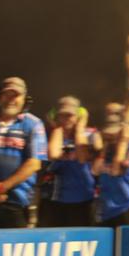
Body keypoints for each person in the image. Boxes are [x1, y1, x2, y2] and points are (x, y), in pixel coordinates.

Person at [0, 77, 47, 228]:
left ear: (25, 99)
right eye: (7, 94)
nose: (11, 100)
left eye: (16, 95)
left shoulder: (33, 124)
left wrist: (0, 188)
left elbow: (34, 164)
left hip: (17, 204)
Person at [38, 96, 101, 227]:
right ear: (56, 116)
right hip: (54, 199)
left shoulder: (91, 134)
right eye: (62, 115)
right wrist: (57, 129)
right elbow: (53, 154)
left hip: (83, 199)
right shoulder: (50, 134)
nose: (66, 119)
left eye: (70, 115)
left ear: (79, 116)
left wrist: (79, 129)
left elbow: (83, 157)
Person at [92, 123, 129, 227]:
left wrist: (123, 141)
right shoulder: (106, 150)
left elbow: (116, 171)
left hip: (128, 206)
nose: (110, 138)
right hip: (107, 209)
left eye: (114, 135)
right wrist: (104, 148)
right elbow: (95, 170)